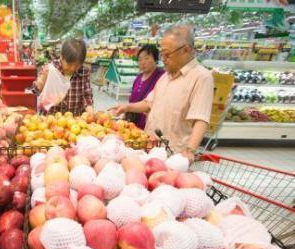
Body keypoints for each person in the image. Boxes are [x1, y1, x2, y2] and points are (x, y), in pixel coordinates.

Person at [110, 25, 213, 162]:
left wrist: (190, 151)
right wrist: (127, 107)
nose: (163, 58)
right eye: (162, 53)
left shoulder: (201, 77)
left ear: (186, 50)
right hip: (148, 147)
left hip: (172, 155)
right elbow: (148, 103)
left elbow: (200, 118)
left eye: (167, 54)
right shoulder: (165, 77)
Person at [34, 38, 93, 115]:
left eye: (77, 65)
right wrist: (42, 79)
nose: (72, 68)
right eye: (69, 64)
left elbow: (87, 96)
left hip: (74, 122)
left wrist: (91, 113)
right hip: (51, 119)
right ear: (61, 57)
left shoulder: (84, 72)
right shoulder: (51, 69)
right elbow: (35, 92)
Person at [128, 45, 165, 129]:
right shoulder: (138, 78)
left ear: (156, 60)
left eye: (146, 58)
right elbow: (131, 100)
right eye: (140, 60)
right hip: (133, 123)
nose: (142, 62)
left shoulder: (161, 77)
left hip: (150, 124)